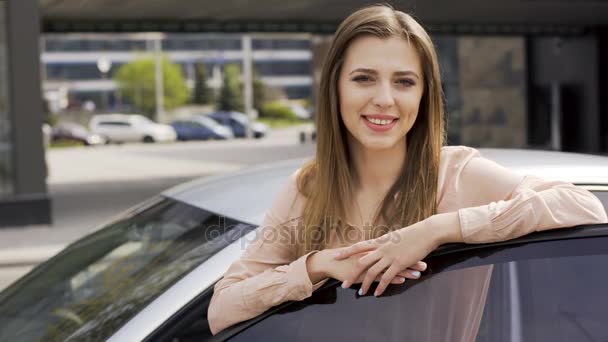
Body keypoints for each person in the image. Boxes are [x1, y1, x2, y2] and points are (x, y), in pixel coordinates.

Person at [207, 4, 607, 336]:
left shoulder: (457, 175)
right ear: (336, 88)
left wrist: (437, 230)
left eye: (404, 82)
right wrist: (317, 266)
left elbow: (583, 206)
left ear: (423, 93)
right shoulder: (308, 188)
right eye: (364, 79)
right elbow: (222, 308)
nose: (384, 99)